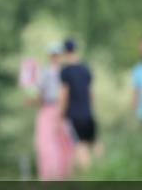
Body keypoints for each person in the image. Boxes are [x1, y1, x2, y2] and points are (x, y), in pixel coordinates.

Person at [33, 43, 74, 180]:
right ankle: (59, 176)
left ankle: (55, 176)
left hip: (55, 109)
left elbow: (40, 94)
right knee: (59, 143)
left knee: (52, 143)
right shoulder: (63, 71)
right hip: (59, 108)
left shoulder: (50, 72)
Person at [58, 38, 98, 170]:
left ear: (65, 51)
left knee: (79, 146)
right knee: (94, 143)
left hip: (74, 114)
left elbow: (64, 94)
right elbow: (91, 94)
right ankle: (102, 172)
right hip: (88, 113)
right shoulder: (86, 69)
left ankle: (89, 177)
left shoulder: (65, 71)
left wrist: (60, 114)